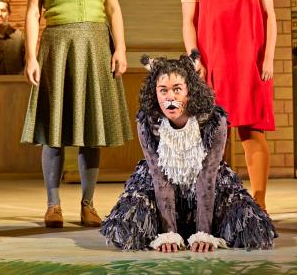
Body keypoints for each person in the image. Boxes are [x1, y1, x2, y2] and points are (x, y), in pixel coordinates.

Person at [21, 0, 133, 229]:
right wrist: (31, 56)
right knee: (54, 133)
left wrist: (121, 48)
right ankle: (53, 205)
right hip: (57, 48)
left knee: (91, 130)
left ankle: (88, 204)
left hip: (97, 46)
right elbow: (32, 14)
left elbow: (113, 8)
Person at [100, 51, 276, 251]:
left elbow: (207, 176)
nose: (170, 97)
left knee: (250, 226)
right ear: (154, 92)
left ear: (189, 91)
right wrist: (169, 234)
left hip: (207, 186)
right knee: (128, 225)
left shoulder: (214, 121)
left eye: (177, 89)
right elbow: (159, 176)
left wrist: (204, 233)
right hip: (162, 185)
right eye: (163, 90)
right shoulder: (147, 122)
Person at [180, 0, 276, 211]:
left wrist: (269, 56)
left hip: (251, 62)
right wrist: (195, 58)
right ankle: (211, 202)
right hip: (213, 62)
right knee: (211, 134)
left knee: (252, 132)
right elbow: (188, 21)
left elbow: (270, 16)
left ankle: (259, 202)